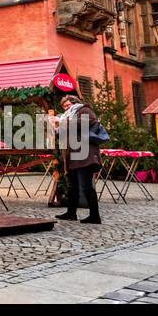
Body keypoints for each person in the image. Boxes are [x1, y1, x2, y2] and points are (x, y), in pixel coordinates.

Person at [55, 94, 103, 224]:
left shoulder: (84, 110)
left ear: (74, 102)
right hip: (72, 156)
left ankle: (94, 215)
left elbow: (87, 122)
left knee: (86, 186)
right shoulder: (66, 117)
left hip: (84, 155)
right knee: (72, 186)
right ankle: (71, 213)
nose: (66, 108)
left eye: (68, 105)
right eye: (64, 106)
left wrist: (64, 123)